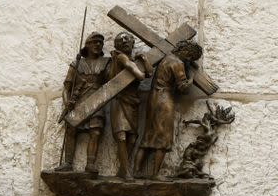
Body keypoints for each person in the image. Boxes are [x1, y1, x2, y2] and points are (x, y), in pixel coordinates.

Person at [134, 39, 203, 179]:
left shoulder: (166, 59)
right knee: (164, 136)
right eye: (189, 55)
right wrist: (192, 77)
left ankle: (136, 171)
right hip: (164, 100)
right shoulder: (177, 63)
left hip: (153, 98)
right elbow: (183, 88)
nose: (189, 59)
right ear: (184, 51)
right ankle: (155, 174)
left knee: (148, 135)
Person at [55, 32, 110, 175]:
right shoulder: (77, 64)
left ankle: (90, 164)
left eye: (100, 42)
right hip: (79, 102)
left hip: (97, 103)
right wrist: (67, 103)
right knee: (71, 130)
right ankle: (68, 163)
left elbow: (111, 82)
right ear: (87, 45)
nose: (98, 45)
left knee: (96, 132)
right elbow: (66, 88)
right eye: (94, 42)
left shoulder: (106, 63)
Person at [107, 32, 152, 179]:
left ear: (133, 43)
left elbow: (149, 73)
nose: (124, 41)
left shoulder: (133, 59)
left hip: (133, 101)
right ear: (116, 45)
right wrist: (137, 66)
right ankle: (126, 171)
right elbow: (139, 76)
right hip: (119, 100)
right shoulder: (120, 57)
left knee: (132, 137)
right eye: (120, 40)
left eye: (127, 39)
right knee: (121, 136)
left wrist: (144, 59)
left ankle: (123, 168)